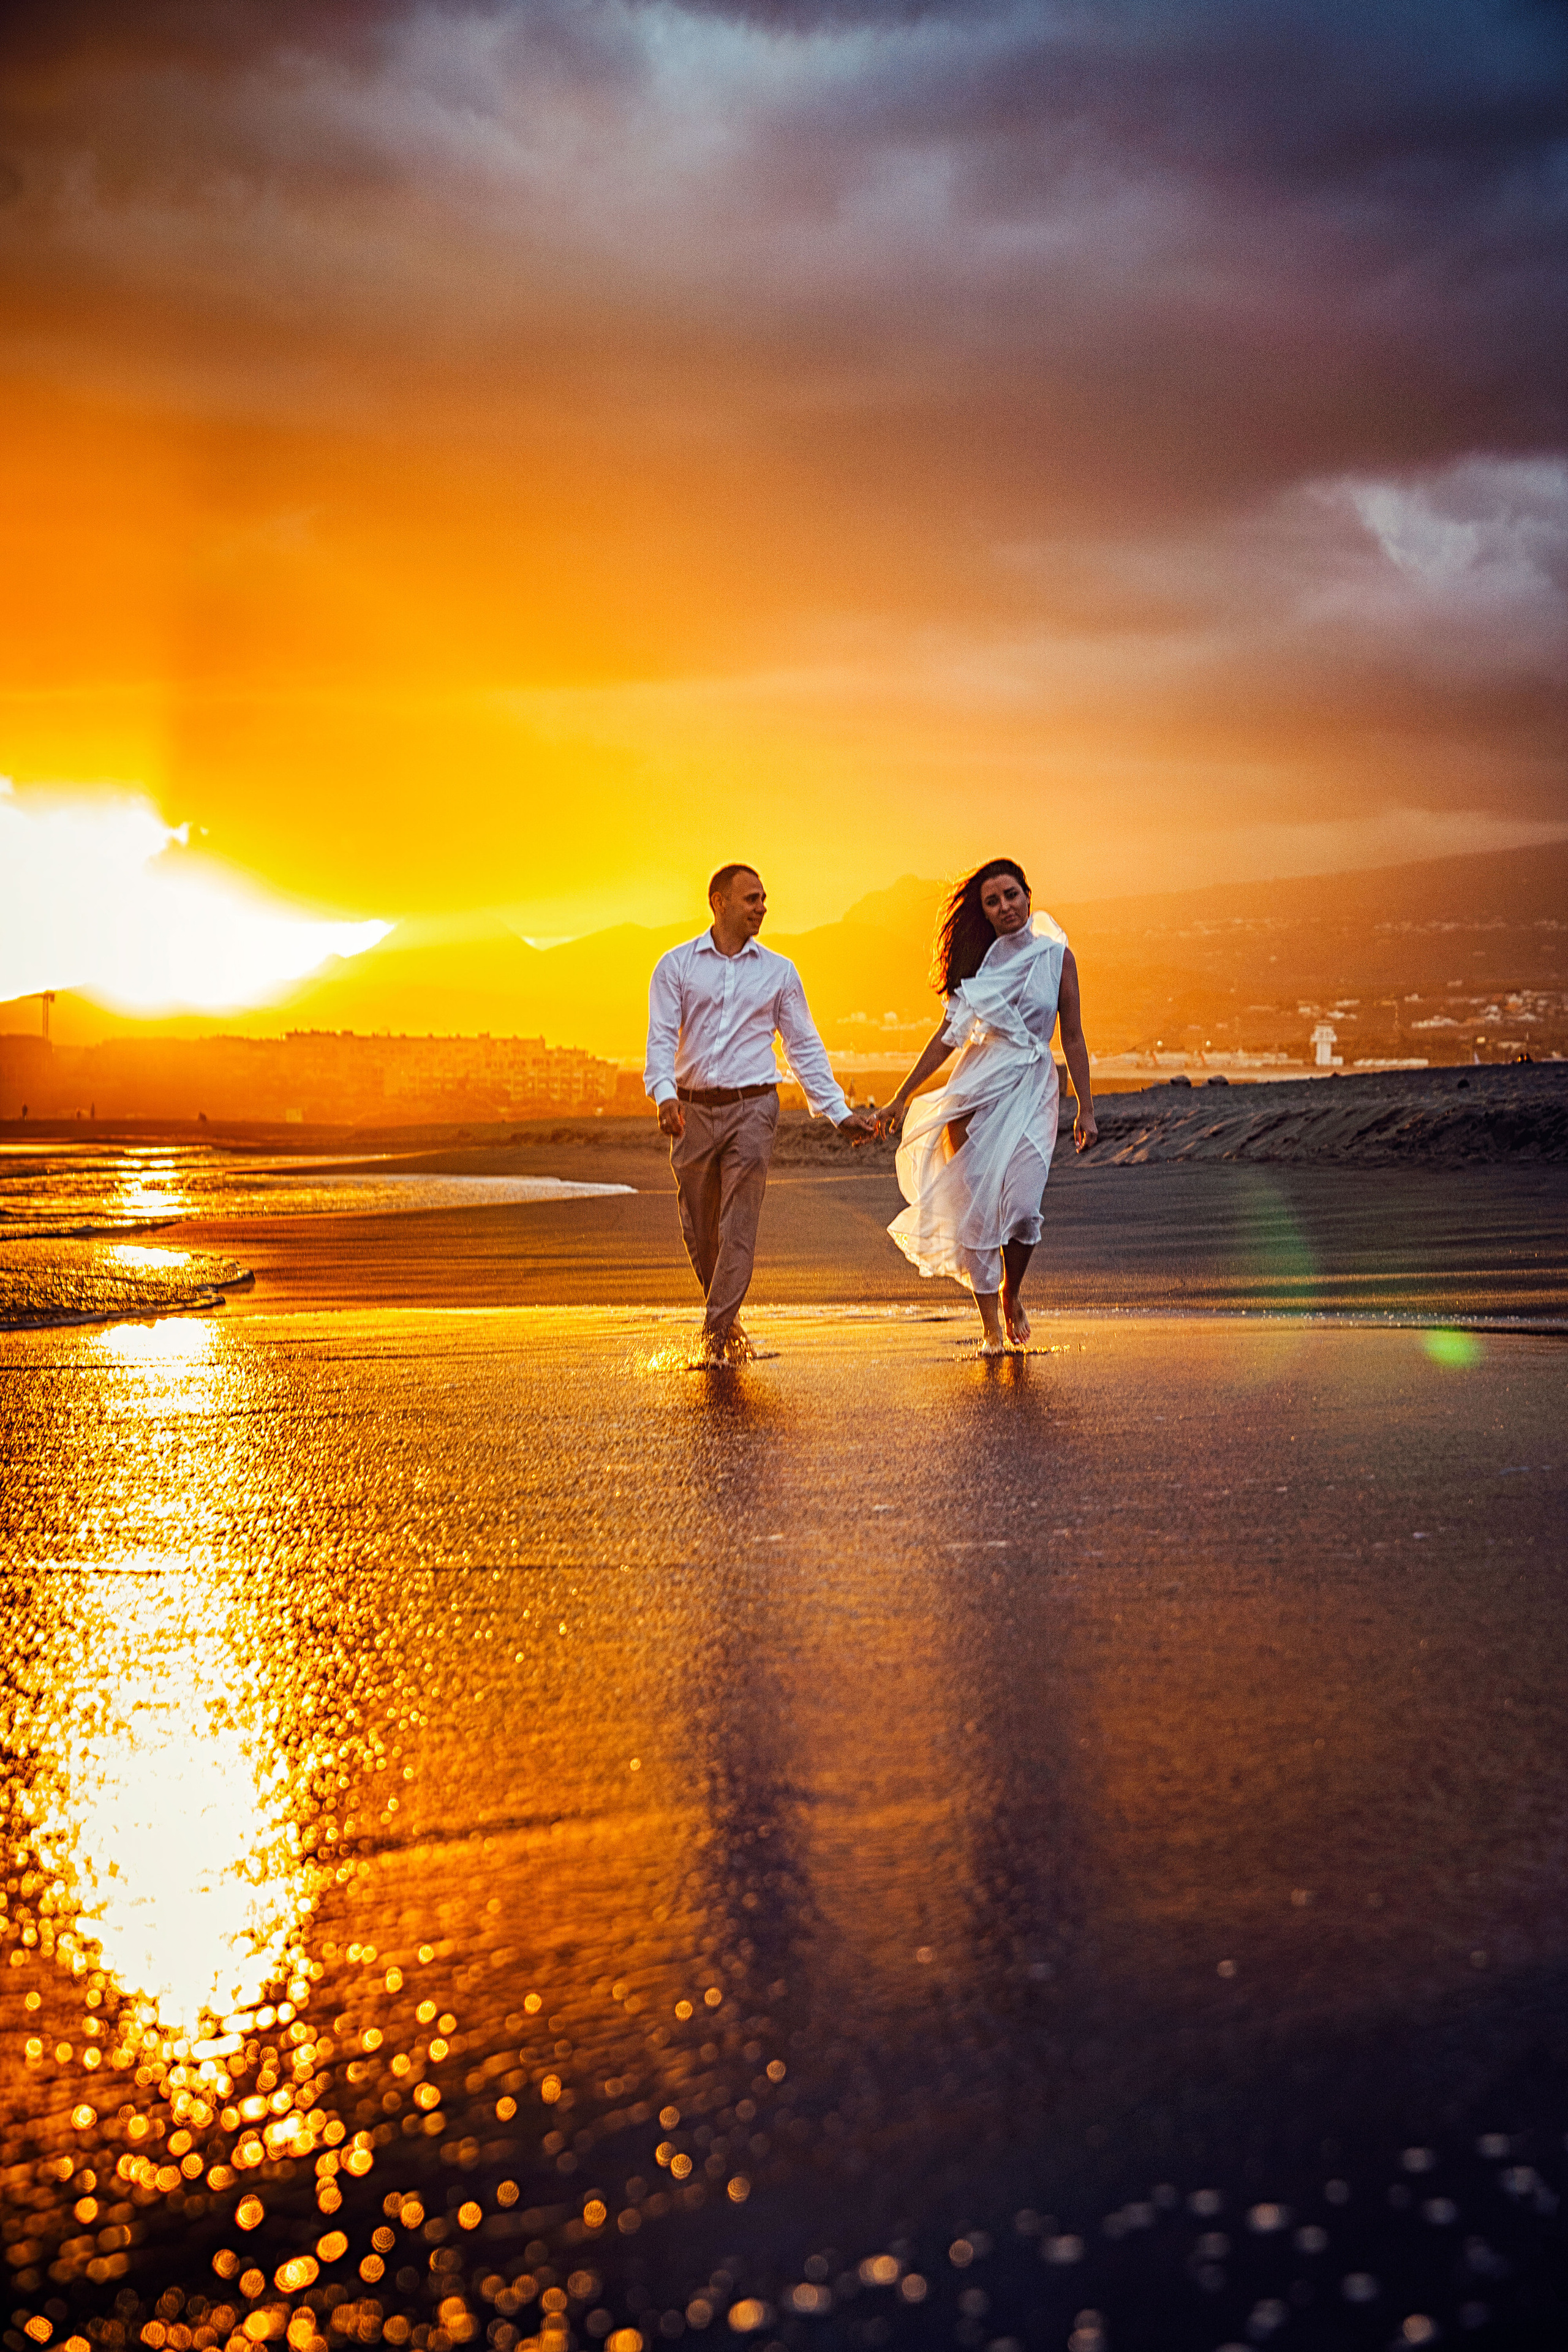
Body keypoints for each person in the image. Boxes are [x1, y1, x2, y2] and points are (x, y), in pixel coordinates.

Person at [645, 864, 875, 1362]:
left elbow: (803, 1046)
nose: (762, 908)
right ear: (719, 902)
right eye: (752, 899)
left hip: (753, 1109)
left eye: (764, 899)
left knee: (738, 1225)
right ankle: (729, 1324)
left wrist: (839, 1112)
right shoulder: (675, 966)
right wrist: (664, 1095)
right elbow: (661, 1037)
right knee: (699, 1229)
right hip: (691, 1110)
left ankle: (712, 1338)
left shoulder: (779, 972)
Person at [878, 858, 1098, 1353]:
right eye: (992, 902)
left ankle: (1010, 1292)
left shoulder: (1057, 957)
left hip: (1033, 1087)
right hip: (975, 1093)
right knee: (976, 1213)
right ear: (985, 912)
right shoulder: (978, 966)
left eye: (1011, 895)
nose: (1005, 907)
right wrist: (900, 1097)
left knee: (1022, 1209)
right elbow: (946, 1038)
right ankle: (990, 1329)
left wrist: (1087, 1108)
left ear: (1028, 895)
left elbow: (1073, 1036)